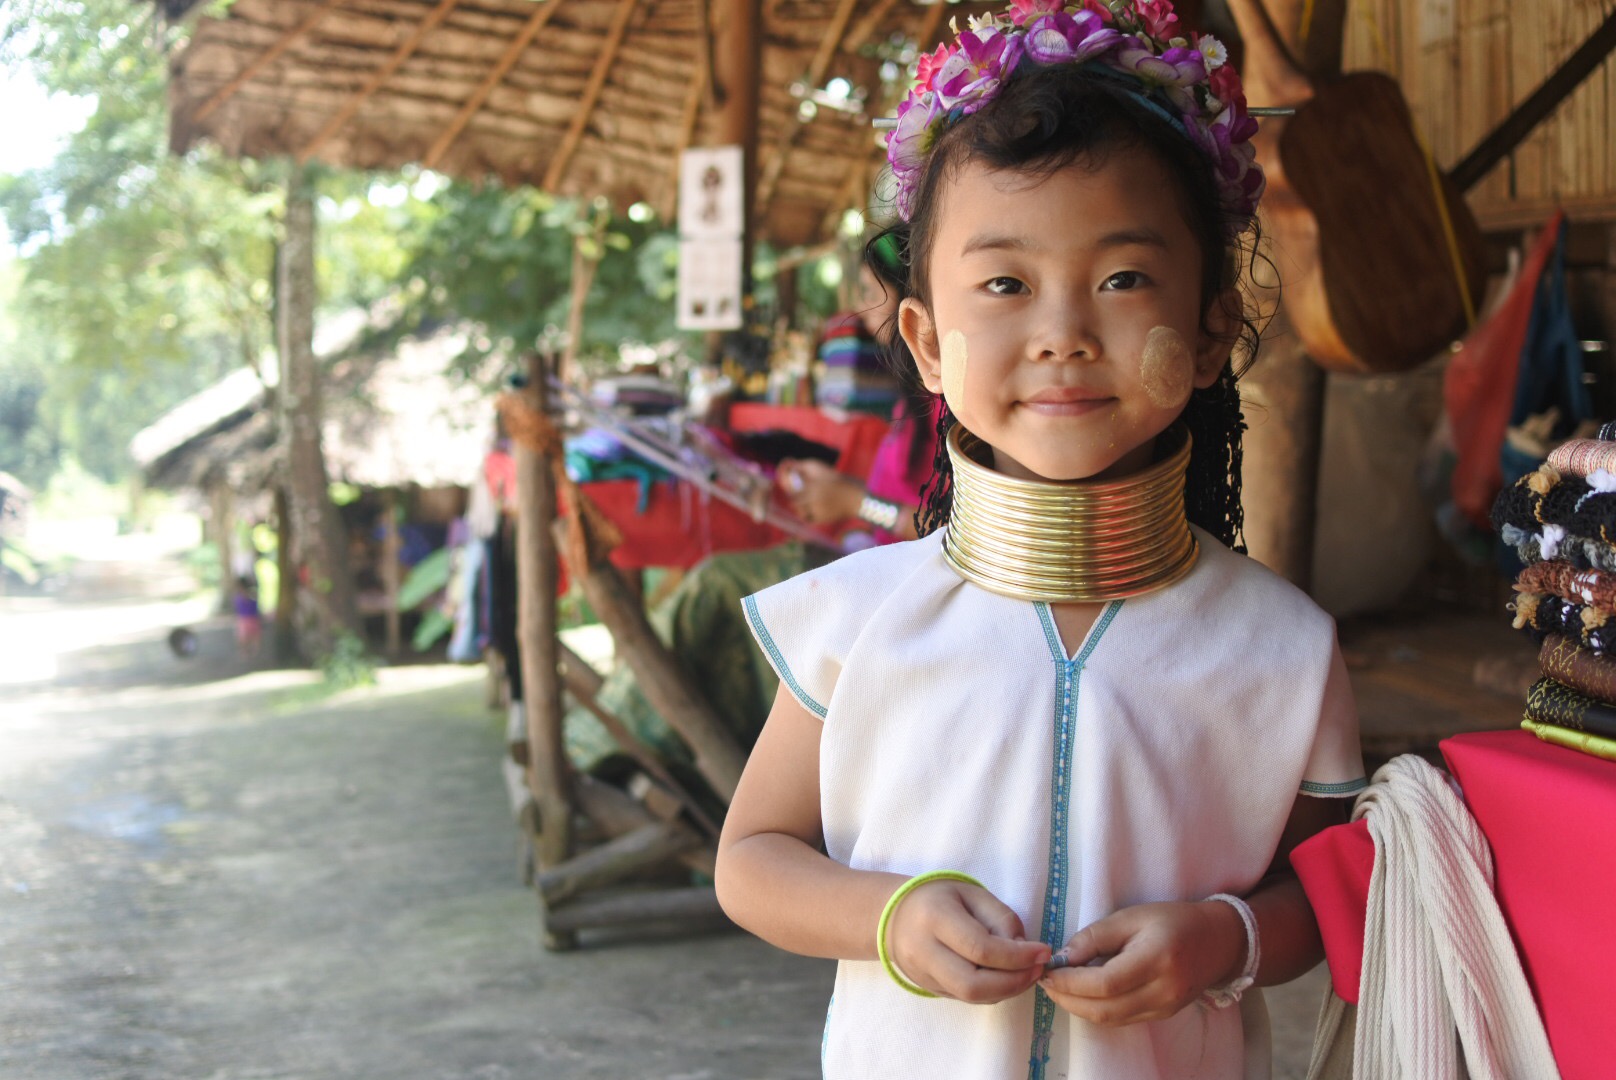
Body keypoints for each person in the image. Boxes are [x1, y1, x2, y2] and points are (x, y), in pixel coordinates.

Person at [714, 3, 1367, 1077]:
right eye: (1005, 284)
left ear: (1209, 330)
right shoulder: (857, 621)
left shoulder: (1280, 649)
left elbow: (1326, 890)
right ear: (924, 342)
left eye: (1119, 279)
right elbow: (750, 862)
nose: (1061, 330)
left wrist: (1226, 937)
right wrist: (888, 917)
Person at [232, 575, 262, 660]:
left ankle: (249, 653)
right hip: (248, 618)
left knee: (247, 638)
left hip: (247, 618)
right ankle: (250, 653)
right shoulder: (248, 595)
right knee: (249, 637)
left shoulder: (241, 596)